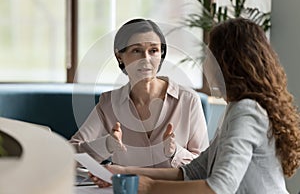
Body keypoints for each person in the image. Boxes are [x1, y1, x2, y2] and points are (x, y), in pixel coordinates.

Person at [91, 18, 300, 193]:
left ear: (227, 63)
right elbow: (193, 172)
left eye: (209, 55)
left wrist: (149, 186)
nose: (205, 62)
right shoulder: (237, 108)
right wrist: (124, 172)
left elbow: (219, 188)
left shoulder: (246, 111)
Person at [69, 18, 209, 168]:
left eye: (153, 50)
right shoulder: (109, 103)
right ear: (119, 56)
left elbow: (205, 166)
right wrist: (107, 144)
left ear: (161, 54)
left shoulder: (188, 100)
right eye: (136, 51)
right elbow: (71, 155)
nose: (146, 59)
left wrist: (175, 152)